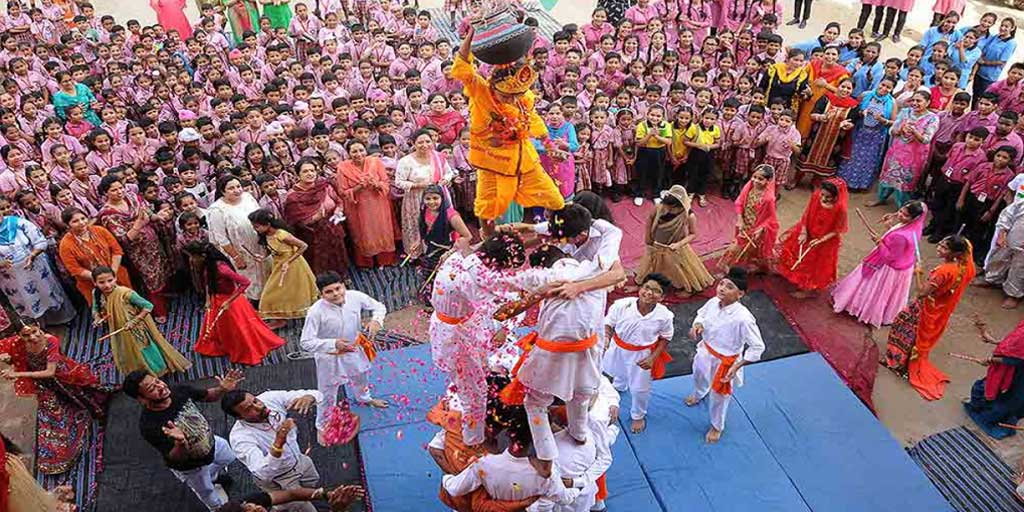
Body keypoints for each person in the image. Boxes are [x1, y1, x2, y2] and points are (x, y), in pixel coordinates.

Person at [500, 244, 605, 475]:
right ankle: (579, 434)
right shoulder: (593, 271)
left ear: (541, 265)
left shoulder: (543, 276)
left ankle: (545, 459)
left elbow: (503, 296)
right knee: (580, 395)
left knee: (535, 402)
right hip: (587, 351)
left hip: (553, 352)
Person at [451, 26, 565, 233]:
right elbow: (462, 66)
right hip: (492, 165)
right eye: (506, 97)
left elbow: (534, 120)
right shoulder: (481, 92)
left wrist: (550, 146)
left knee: (556, 201)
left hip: (525, 163)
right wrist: (472, 34)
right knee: (486, 211)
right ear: (494, 86)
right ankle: (489, 241)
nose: (513, 100)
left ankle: (548, 232)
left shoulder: (524, 97)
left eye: (517, 95)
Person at [0, 320, 112, 475]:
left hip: (62, 376)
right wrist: (7, 358)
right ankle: (58, 455)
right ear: (19, 336)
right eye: (26, 335)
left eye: (34, 331)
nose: (32, 337)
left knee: (84, 394)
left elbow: (50, 372)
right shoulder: (16, 344)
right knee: (51, 415)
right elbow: (3, 347)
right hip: (43, 386)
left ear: (39, 326)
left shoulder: (51, 341)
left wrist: (17, 374)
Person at [123, 369, 244, 510]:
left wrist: (222, 389)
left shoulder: (178, 391)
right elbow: (175, 458)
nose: (161, 387)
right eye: (152, 389)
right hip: (192, 467)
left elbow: (208, 396)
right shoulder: (150, 425)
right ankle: (217, 508)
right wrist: (180, 443)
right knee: (207, 492)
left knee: (228, 457)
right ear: (142, 399)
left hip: (211, 442)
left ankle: (213, 476)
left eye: (157, 381)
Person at [300, 271, 389, 443]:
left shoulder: (355, 296)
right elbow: (306, 342)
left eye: (338, 288)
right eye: (329, 292)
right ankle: (322, 424)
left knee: (361, 376)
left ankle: (364, 398)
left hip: (355, 348)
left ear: (344, 285)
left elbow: (379, 306)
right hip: (330, 356)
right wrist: (333, 344)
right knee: (327, 391)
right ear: (321, 294)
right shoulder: (315, 312)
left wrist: (376, 320)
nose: (336, 294)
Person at [884, 235, 976, 401]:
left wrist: (918, 273)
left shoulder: (943, 272)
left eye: (944, 247)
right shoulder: (964, 267)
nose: (939, 248)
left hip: (926, 307)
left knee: (904, 330)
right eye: (940, 244)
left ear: (954, 253)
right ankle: (902, 364)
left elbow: (921, 293)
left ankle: (898, 365)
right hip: (940, 308)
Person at [685, 267, 766, 444]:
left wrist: (737, 366)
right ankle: (699, 393)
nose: (721, 288)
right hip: (705, 351)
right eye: (721, 284)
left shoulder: (744, 318)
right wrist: (697, 325)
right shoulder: (713, 302)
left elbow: (757, 346)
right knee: (698, 375)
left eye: (729, 287)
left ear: (740, 294)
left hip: (725, 362)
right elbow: (701, 315)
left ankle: (716, 426)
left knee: (720, 395)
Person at [183, 241, 284, 365]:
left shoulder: (222, 269)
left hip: (231, 302)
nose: (191, 260)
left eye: (193, 256)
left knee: (239, 330)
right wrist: (208, 299)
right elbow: (208, 282)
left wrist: (229, 301)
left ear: (203, 256)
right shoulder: (207, 266)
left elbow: (245, 282)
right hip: (217, 300)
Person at [222, 388, 322, 512]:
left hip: (301, 461)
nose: (258, 407)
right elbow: (263, 473)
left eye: (255, 401)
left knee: (312, 486)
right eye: (249, 409)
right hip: (280, 479)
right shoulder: (240, 438)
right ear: (239, 417)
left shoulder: (269, 398)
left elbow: (317, 394)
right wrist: (279, 442)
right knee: (303, 508)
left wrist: (309, 397)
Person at [832, 201, 927, 327]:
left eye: (904, 215)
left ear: (913, 218)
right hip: (902, 265)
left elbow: (889, 257)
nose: (899, 215)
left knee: (873, 289)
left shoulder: (901, 236)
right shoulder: (915, 227)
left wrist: (879, 242)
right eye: (900, 211)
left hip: (887, 267)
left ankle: (862, 309)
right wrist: (890, 224)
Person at [97, 174, 175, 322]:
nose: (119, 192)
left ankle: (166, 295)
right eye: (114, 190)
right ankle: (158, 310)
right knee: (150, 278)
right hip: (138, 250)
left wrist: (157, 217)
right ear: (106, 192)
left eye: (120, 188)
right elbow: (124, 240)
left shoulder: (132, 197)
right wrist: (139, 223)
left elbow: (147, 211)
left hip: (153, 240)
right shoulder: (107, 214)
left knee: (163, 269)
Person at [602, 273, 674, 434]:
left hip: (642, 354)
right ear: (640, 288)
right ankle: (619, 387)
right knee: (616, 373)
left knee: (640, 389)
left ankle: (638, 415)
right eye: (647, 287)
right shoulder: (622, 305)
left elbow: (666, 337)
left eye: (656, 291)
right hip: (618, 347)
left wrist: (652, 357)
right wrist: (606, 338)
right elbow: (608, 323)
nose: (649, 293)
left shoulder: (664, 316)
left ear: (662, 297)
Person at [91, 266, 191, 377]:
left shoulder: (125, 293)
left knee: (145, 349)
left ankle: (158, 371)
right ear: (95, 283)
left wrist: (134, 322)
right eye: (101, 282)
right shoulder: (96, 293)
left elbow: (148, 306)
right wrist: (97, 318)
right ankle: (142, 372)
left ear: (115, 278)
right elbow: (96, 308)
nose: (107, 285)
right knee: (129, 351)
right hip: (118, 327)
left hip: (136, 329)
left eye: (110, 280)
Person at [0, 197, 73, 325]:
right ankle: (40, 326)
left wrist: (32, 255)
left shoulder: (19, 223)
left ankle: (62, 320)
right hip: (13, 279)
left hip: (36, 269)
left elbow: (40, 241)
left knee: (48, 292)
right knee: (28, 300)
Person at [633, 185, 714, 293]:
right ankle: (642, 284)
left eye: (672, 208)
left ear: (681, 206)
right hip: (657, 245)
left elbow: (693, 234)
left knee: (680, 270)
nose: (668, 210)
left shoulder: (688, 216)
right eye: (667, 206)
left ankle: (688, 289)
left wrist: (679, 244)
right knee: (650, 266)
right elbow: (650, 219)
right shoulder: (660, 208)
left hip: (676, 248)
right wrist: (648, 236)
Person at [776, 179, 849, 298]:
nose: (824, 198)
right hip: (807, 232)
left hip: (824, 242)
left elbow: (838, 230)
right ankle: (789, 274)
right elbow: (807, 213)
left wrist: (821, 240)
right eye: (823, 194)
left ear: (836, 196)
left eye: (828, 197)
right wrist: (804, 232)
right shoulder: (816, 196)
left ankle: (808, 291)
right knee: (795, 254)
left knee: (812, 266)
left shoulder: (840, 209)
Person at [248, 208, 319, 326]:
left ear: (268, 224)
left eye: (257, 226)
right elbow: (272, 249)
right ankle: (280, 318)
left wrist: (289, 261)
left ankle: (281, 319)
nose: (255, 229)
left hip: (293, 267)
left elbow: (303, 246)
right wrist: (262, 257)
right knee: (278, 292)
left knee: (280, 292)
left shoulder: (282, 235)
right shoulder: (267, 235)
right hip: (279, 266)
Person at [283, 157, 350, 277]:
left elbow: (339, 201)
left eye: (312, 170)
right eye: (305, 171)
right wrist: (316, 217)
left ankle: (341, 276)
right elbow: (296, 222)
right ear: (298, 174)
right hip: (312, 236)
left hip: (333, 228)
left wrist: (338, 211)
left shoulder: (324, 186)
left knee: (337, 255)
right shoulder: (293, 197)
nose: (310, 174)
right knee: (319, 262)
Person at [871, 91, 939, 209]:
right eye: (913, 100)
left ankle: (903, 208)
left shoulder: (932, 118)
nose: (915, 103)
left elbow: (926, 140)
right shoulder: (905, 112)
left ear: (927, 103)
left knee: (906, 180)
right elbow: (892, 130)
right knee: (888, 174)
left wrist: (915, 132)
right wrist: (900, 129)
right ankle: (881, 198)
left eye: (919, 101)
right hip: (897, 151)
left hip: (914, 156)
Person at [335, 140, 397, 267]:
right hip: (358, 207)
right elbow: (342, 192)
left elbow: (386, 183)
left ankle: (385, 261)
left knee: (382, 230)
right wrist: (359, 187)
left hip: (378, 204)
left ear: (366, 151)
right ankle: (366, 263)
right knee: (362, 233)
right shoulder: (343, 168)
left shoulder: (375, 162)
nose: (358, 154)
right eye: (354, 151)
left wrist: (376, 184)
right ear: (348, 154)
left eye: (361, 150)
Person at [396, 129, 454, 259]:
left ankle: (438, 249)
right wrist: (419, 186)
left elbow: (449, 172)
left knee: (437, 221)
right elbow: (399, 182)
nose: (425, 145)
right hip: (416, 198)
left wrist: (445, 179)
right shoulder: (406, 161)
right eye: (420, 142)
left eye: (428, 141)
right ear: (413, 143)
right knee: (418, 224)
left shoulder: (438, 157)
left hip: (437, 196)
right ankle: (417, 252)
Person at [207, 175, 267, 302]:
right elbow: (221, 238)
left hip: (259, 246)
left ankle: (266, 305)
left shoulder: (248, 197)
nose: (237, 190)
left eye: (238, 186)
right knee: (248, 284)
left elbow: (260, 217)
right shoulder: (217, 210)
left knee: (265, 277)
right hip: (240, 252)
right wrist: (236, 257)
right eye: (231, 188)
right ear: (222, 191)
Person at [791, 78, 858, 188]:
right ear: (838, 86)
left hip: (835, 140)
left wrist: (848, 125)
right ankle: (796, 179)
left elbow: (852, 122)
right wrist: (820, 117)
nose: (845, 90)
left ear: (852, 91)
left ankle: (816, 181)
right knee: (807, 155)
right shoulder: (826, 98)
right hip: (816, 136)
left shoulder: (853, 105)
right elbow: (812, 114)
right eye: (843, 86)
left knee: (827, 160)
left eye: (849, 88)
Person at [58, 207, 131, 305]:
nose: (81, 223)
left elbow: (117, 251)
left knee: (130, 304)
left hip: (117, 275)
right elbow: (75, 269)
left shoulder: (100, 230)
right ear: (68, 225)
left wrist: (112, 274)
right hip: (93, 285)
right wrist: (102, 280)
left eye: (83, 218)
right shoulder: (65, 245)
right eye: (75, 221)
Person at [965, 318, 1024, 439]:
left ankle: (991, 420)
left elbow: (1014, 359)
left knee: (1008, 399)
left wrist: (990, 360)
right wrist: (993, 340)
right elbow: (1014, 347)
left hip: (1017, 375)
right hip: (1015, 371)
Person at [837, 77, 898, 191]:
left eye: (888, 87)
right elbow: (853, 111)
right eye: (882, 84)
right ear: (878, 83)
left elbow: (894, 122)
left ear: (892, 89)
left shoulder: (892, 102)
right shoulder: (865, 95)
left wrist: (882, 120)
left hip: (876, 136)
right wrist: (861, 112)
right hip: (859, 132)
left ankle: (860, 185)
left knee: (868, 161)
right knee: (851, 157)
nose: (884, 88)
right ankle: (842, 182)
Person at [724, 165, 778, 274]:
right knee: (740, 245)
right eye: (754, 177)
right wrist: (740, 219)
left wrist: (761, 229)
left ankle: (739, 267)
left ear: (768, 181)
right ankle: (735, 265)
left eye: (760, 179)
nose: (756, 181)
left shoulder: (768, 198)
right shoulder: (749, 187)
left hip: (757, 228)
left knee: (748, 248)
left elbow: (771, 217)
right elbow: (739, 202)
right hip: (744, 223)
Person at [796, 47, 851, 140]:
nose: (830, 56)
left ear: (838, 57)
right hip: (806, 102)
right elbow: (800, 78)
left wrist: (826, 85)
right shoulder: (813, 65)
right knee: (799, 129)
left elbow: (844, 93)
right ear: (823, 55)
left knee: (814, 135)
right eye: (827, 53)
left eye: (833, 54)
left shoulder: (842, 73)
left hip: (824, 107)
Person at [983, 195, 1024, 309]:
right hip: (1009, 239)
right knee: (998, 259)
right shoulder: (1022, 203)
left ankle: (1013, 295)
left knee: (1019, 269)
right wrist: (1002, 233)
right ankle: (992, 279)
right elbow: (1007, 215)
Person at [217, 485, 365, 512]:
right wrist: (337, 510)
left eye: (250, 506)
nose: (258, 508)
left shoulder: (246, 502)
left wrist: (327, 495)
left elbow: (291, 495)